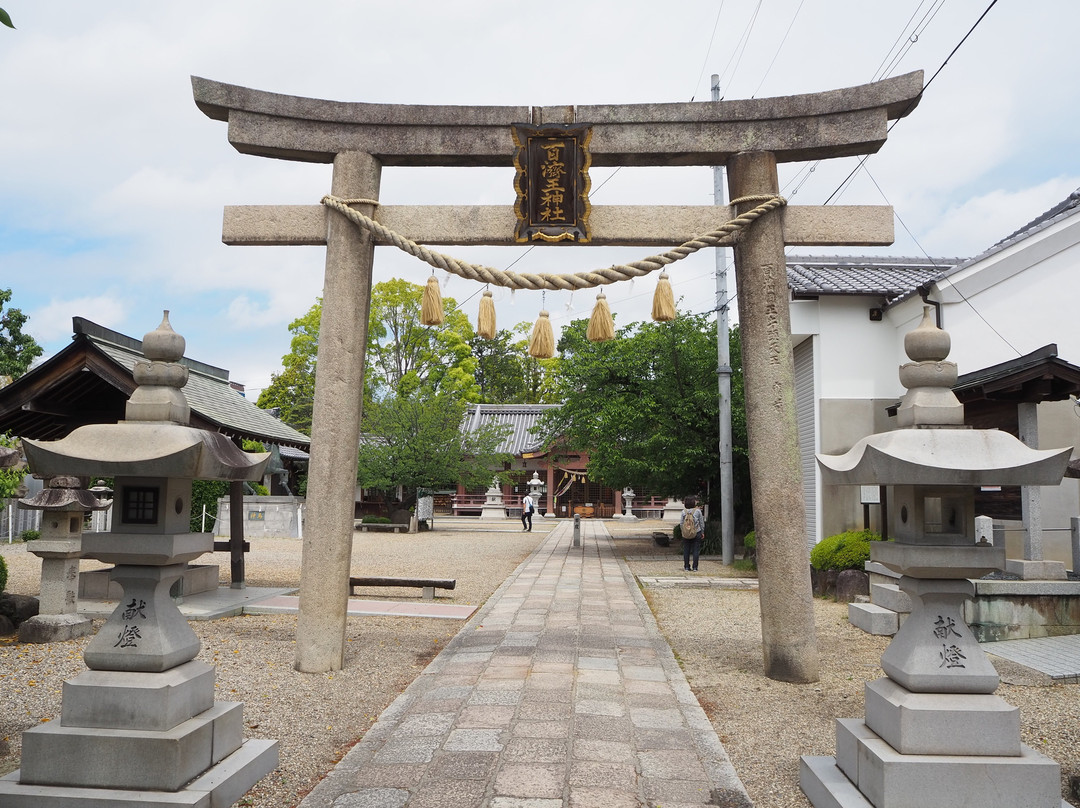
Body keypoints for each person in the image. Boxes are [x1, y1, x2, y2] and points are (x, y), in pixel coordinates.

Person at [681, 495, 705, 571]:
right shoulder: (697, 511)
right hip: (696, 532)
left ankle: (686, 567)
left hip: (686, 533)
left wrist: (683, 531)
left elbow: (681, 523)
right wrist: (702, 532)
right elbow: (701, 522)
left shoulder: (683, 512)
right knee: (695, 550)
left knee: (686, 550)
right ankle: (695, 567)